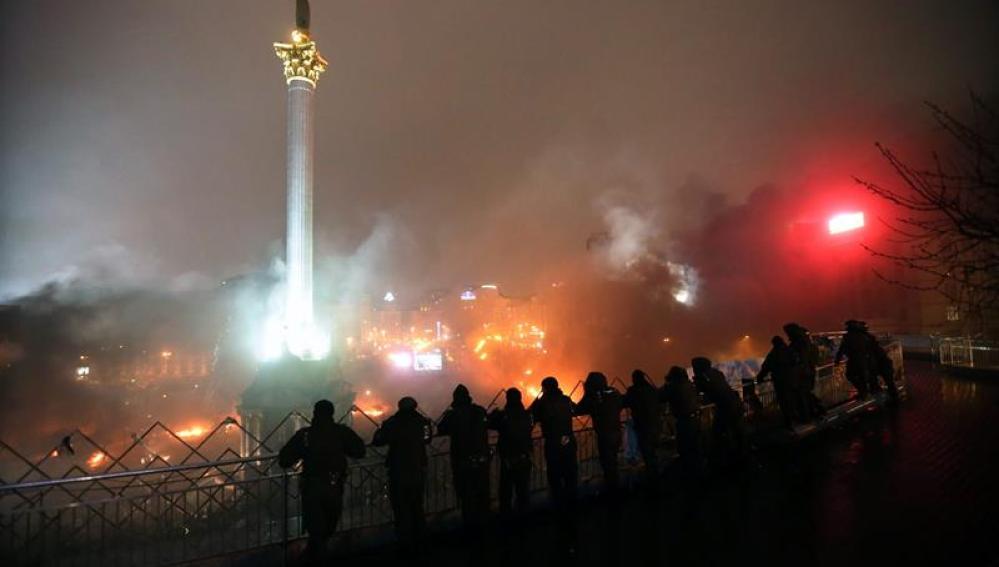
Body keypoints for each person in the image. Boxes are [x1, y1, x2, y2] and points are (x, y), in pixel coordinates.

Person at [278, 400, 366, 562]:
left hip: (312, 487)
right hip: (335, 485)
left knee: (316, 528)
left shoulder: (305, 435)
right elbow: (360, 451)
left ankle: (314, 555)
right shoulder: (341, 432)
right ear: (332, 413)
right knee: (328, 525)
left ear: (314, 413)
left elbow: (284, 459)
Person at [372, 396, 433, 554]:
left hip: (398, 470)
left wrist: (382, 429)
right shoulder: (423, 422)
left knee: (401, 508)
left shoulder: (393, 423)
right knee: (417, 507)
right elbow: (427, 439)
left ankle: (405, 544)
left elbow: (378, 440)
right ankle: (421, 541)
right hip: (418, 469)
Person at [436, 384, 491, 532]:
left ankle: (471, 530)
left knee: (467, 497)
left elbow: (441, 429)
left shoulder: (453, 415)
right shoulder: (479, 411)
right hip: (482, 459)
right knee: (482, 494)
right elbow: (488, 423)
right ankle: (485, 528)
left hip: (463, 461)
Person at [529, 376, 578, 510]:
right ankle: (572, 503)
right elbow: (577, 409)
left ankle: (558, 505)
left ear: (544, 388)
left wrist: (536, 400)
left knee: (555, 474)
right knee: (570, 472)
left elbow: (530, 415)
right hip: (568, 440)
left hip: (553, 442)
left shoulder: (542, 403)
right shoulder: (566, 399)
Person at [487, 388, 534, 519]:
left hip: (508, 460)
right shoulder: (527, 415)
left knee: (506, 493)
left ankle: (507, 525)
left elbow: (489, 423)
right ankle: (524, 523)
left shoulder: (503, 416)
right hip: (525, 457)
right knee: (523, 492)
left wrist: (494, 413)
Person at [691, 357, 747, 462]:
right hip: (734, 402)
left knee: (718, 432)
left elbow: (702, 392)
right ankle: (741, 454)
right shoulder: (716, 373)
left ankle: (726, 457)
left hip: (726, 407)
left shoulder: (703, 377)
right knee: (737, 430)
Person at [576, 372, 624, 492]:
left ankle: (613, 492)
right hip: (617, 432)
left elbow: (579, 408)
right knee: (613, 460)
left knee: (607, 463)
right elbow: (621, 403)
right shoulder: (614, 392)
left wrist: (586, 392)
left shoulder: (593, 396)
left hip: (605, 434)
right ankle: (616, 486)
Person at [623, 369, 663, 483]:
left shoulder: (633, 391)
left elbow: (624, 401)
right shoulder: (652, 390)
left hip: (643, 428)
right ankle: (657, 479)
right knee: (653, 454)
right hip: (656, 426)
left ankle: (653, 484)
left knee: (648, 456)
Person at [660, 366, 701, 476]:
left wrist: (666, 384)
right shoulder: (688, 384)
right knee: (695, 448)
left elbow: (660, 396)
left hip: (684, 422)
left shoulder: (674, 386)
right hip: (695, 420)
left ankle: (689, 476)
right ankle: (699, 473)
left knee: (685, 449)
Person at [756, 336, 799, 428]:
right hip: (792, 380)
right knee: (792, 399)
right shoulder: (789, 351)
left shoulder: (774, 353)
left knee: (784, 402)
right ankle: (796, 418)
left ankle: (789, 422)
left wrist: (759, 378)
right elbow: (796, 362)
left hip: (780, 382)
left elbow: (766, 367)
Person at [784, 322, 824, 418]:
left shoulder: (798, 344)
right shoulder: (807, 343)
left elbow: (798, 359)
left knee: (801, 395)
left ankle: (809, 414)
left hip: (802, 374)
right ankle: (816, 410)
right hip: (808, 372)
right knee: (805, 394)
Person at [835, 320, 876, 400]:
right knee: (862, 376)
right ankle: (864, 392)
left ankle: (863, 392)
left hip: (854, 359)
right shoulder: (863, 336)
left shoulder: (848, 337)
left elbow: (842, 349)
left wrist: (837, 360)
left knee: (850, 375)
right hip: (863, 359)